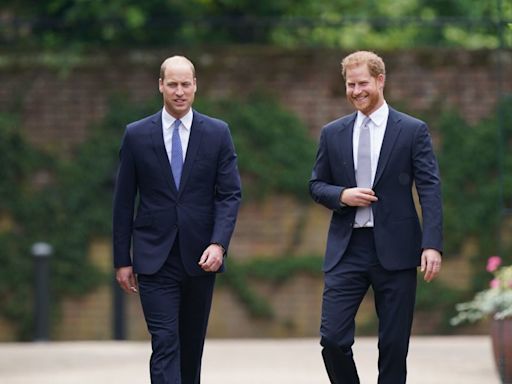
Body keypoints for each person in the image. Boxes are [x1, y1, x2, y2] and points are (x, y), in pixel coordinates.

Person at [309, 51, 443, 384]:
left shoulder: (412, 130)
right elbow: (315, 185)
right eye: (350, 85)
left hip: (397, 251)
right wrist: (341, 195)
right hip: (347, 248)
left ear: (380, 80)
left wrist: (432, 245)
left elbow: (430, 189)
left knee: (394, 347)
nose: (356, 91)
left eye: (363, 83)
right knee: (333, 339)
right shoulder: (332, 133)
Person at [112, 55, 242, 384]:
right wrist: (121, 260)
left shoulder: (217, 133)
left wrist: (219, 244)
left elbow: (229, 194)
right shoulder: (137, 135)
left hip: (201, 258)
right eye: (173, 84)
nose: (180, 91)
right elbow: (124, 201)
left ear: (196, 85)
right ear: (160, 86)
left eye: (186, 84)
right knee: (165, 342)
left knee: (191, 347)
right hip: (154, 258)